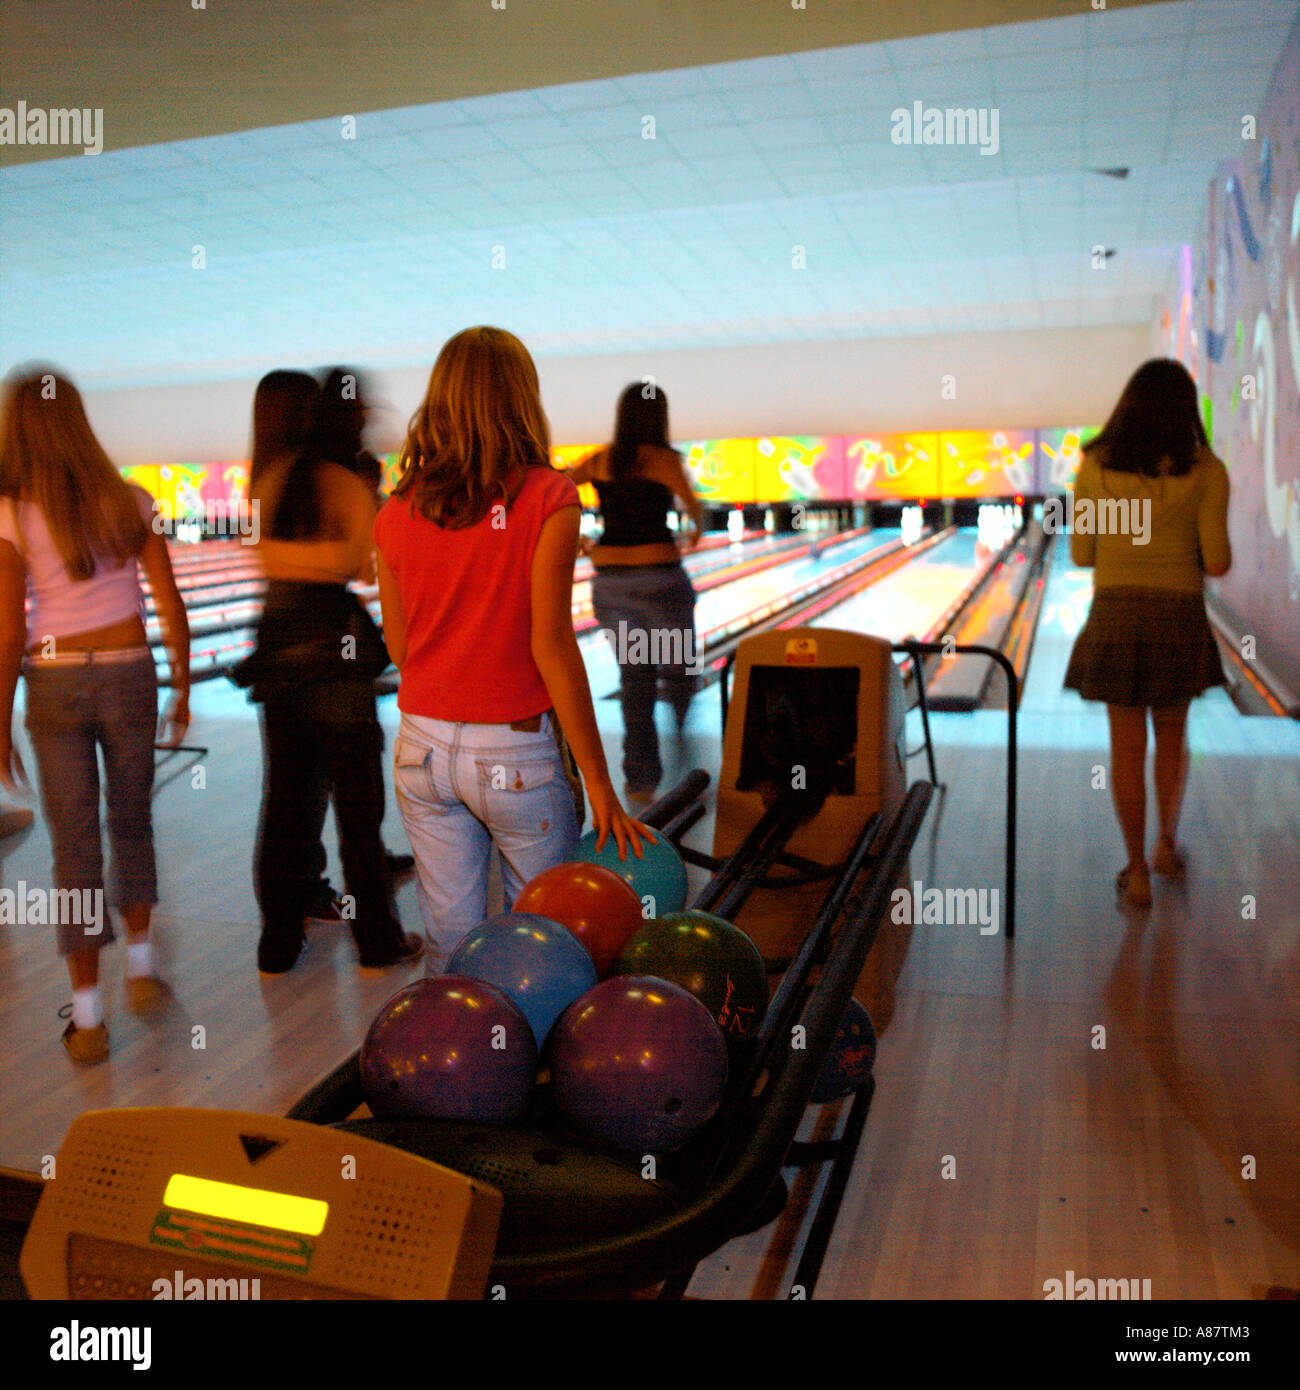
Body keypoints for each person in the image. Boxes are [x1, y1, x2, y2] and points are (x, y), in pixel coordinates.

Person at [374, 326, 646, 968]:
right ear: (522, 397)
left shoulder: (395, 511)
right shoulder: (550, 496)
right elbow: (552, 644)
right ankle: (530, 1061)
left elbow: (400, 649)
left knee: (452, 941)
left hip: (421, 752)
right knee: (541, 940)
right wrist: (601, 785)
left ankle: (457, 1060)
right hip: (516, 752)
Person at [0, 366, 191, 1065]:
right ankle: (141, 968)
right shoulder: (132, 500)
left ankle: (88, 1019)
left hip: (53, 685)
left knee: (72, 847)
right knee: (131, 817)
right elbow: (169, 605)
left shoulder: (11, 513)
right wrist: (185, 687)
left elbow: (8, 632)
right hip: (128, 672)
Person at [240, 370, 420, 974]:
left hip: (278, 639)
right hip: (334, 644)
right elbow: (366, 571)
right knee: (357, 808)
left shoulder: (269, 478)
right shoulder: (346, 481)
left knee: (287, 804)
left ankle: (276, 945)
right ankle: (377, 941)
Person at [1063, 358, 1231, 908]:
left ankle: (1135, 873)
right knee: (1172, 740)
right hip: (1178, 618)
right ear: (1186, 410)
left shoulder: (1094, 467)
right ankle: (1165, 845)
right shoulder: (1206, 470)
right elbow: (1220, 562)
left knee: (1126, 749)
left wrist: (1129, 532)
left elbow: (1083, 554)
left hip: (1115, 617)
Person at [568, 382, 705, 806]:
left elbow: (554, 493)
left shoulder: (599, 460)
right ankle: (683, 749)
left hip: (611, 583)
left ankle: (641, 781)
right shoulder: (665, 460)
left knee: (636, 679)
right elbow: (696, 511)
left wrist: (581, 543)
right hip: (661, 580)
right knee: (680, 672)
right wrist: (693, 534)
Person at [313, 366, 414, 884]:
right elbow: (360, 565)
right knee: (356, 773)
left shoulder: (292, 469)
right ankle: (369, 894)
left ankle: (308, 893)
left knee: (299, 784)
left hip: (294, 635)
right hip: (334, 630)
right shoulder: (349, 472)